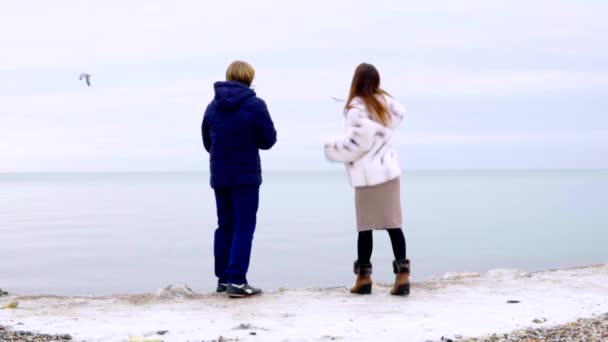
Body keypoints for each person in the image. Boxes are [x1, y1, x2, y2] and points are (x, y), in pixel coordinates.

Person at [324, 63, 410, 296]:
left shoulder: (357, 109)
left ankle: (364, 279)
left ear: (356, 81)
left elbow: (358, 144)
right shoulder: (386, 106)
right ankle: (402, 277)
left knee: (365, 228)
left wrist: (331, 148)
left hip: (368, 175)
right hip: (389, 173)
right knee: (393, 225)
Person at [202, 60, 277, 298]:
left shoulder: (212, 107)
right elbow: (268, 140)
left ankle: (223, 280)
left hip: (220, 175)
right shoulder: (255, 105)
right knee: (243, 229)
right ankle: (237, 281)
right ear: (249, 78)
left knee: (225, 227)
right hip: (245, 176)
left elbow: (207, 143)